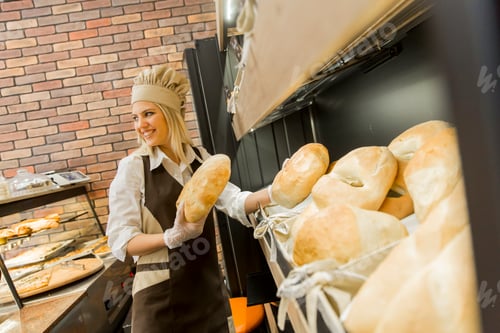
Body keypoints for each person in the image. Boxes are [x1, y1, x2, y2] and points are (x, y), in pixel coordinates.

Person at [106, 64, 271, 333]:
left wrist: (277, 191)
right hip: (159, 303)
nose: (140, 126)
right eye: (135, 117)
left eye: (148, 114)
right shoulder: (134, 168)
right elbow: (121, 240)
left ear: (172, 114)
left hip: (207, 295)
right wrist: (171, 237)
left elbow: (235, 201)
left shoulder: (199, 159)